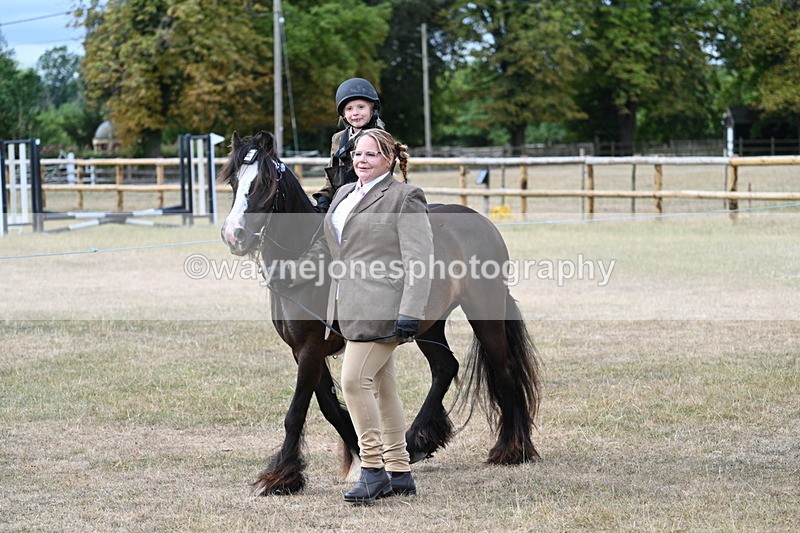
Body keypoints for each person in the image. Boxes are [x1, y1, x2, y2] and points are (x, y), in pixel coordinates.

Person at [271, 129, 433, 504]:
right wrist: (292, 272)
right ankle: (400, 471)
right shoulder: (344, 194)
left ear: (389, 159)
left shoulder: (404, 198)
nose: (362, 160)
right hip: (347, 308)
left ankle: (372, 470)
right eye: (357, 154)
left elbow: (420, 260)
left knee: (353, 381)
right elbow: (328, 247)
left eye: (371, 154)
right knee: (384, 389)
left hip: (383, 306)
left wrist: (411, 310)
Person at [312, 78, 386, 213]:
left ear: (372, 109)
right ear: (343, 114)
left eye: (361, 107)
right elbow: (332, 178)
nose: (355, 113)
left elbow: (381, 180)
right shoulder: (338, 139)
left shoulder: (380, 138)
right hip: (340, 199)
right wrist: (324, 197)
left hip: (370, 202)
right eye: (349, 108)